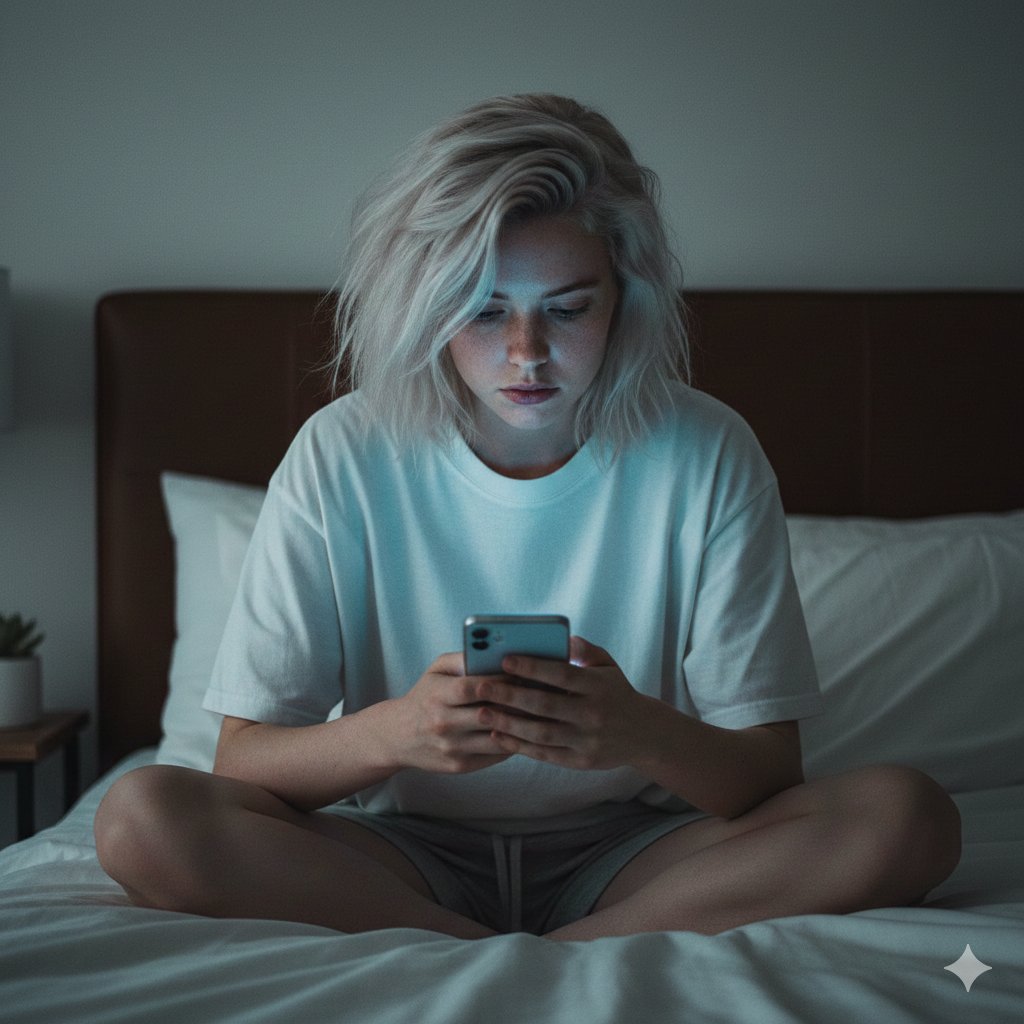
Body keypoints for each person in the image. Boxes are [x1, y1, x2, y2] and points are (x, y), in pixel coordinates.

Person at [94, 94, 961, 940]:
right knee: (140, 817)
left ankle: (558, 953)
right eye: (483, 309)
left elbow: (770, 775)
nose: (526, 354)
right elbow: (241, 762)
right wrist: (397, 732)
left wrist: (636, 733)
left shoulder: (705, 451)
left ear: (624, 297)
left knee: (908, 816)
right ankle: (473, 947)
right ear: (428, 309)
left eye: (567, 308)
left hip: (639, 851)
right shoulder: (342, 453)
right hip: (397, 851)